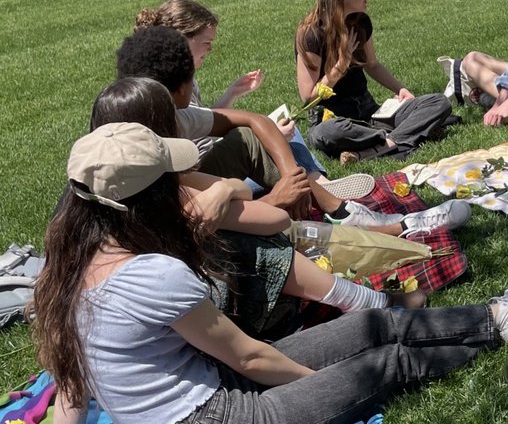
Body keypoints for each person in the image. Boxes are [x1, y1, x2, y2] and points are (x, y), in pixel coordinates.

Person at [0, 122, 508, 424]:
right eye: (171, 182)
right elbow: (250, 356)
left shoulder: (68, 259)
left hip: (210, 390)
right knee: (384, 363)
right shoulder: (152, 274)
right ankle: (499, 333)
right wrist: (324, 382)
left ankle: (500, 318)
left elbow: (70, 377)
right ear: (146, 200)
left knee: (372, 323)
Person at [86, 77, 439, 337]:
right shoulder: (167, 191)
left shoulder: (98, 188)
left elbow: (252, 131)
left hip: (161, 312)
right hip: (201, 321)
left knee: (253, 199)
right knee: (256, 241)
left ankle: (350, 217)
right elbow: (271, 219)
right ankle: (364, 291)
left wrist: (236, 189)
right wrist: (266, 198)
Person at [119, 25, 466, 232]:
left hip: (199, 199)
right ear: (178, 87)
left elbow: (255, 122)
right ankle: (359, 219)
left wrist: (290, 177)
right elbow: (198, 227)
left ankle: (333, 205)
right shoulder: (143, 155)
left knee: (257, 144)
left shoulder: (168, 111)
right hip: (192, 235)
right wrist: (271, 199)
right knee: (276, 226)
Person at [134, 0, 372, 200]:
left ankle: (316, 181)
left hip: (207, 162)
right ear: (181, 40)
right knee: (256, 138)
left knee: (281, 130)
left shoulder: (182, 78)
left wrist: (233, 93)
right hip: (198, 177)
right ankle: (316, 189)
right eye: (206, 42)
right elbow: (190, 139)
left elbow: (200, 120)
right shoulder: (163, 89)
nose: (211, 49)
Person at [296, 0, 458, 163]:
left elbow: (372, 64)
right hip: (333, 118)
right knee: (327, 133)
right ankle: (406, 136)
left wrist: (399, 89)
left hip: (369, 112)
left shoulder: (359, 21)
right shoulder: (311, 33)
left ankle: (382, 145)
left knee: (439, 102)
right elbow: (308, 99)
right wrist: (339, 67)